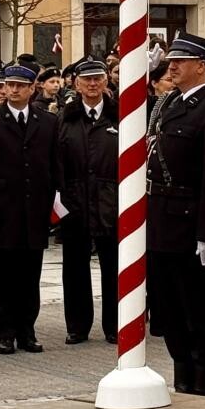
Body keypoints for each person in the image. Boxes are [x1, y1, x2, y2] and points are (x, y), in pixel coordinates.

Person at [146, 33, 205, 397]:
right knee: (168, 311)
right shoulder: (170, 104)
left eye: (180, 61)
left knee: (197, 311)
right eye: (170, 61)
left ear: (202, 65)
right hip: (162, 221)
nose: (173, 66)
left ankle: (202, 383)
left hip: (190, 223)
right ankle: (182, 377)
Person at [0, 64, 60, 355]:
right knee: (0, 275)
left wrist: (52, 209)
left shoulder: (47, 121)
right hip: (1, 211)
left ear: (32, 88)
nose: (13, 90)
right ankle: (4, 330)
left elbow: (53, 167)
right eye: (8, 85)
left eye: (20, 85)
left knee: (29, 274)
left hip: (34, 211)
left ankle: (27, 330)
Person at [56, 59, 119, 345]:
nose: (92, 85)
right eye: (87, 80)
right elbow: (55, 162)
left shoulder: (121, 116)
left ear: (106, 82)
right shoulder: (64, 118)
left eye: (98, 79)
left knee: (114, 266)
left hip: (111, 201)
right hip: (75, 201)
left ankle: (115, 324)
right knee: (75, 267)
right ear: (76, 83)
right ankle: (77, 326)